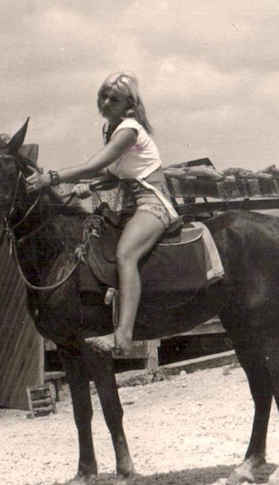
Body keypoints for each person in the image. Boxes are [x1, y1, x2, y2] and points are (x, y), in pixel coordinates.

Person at [26, 72, 178, 354]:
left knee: (126, 254)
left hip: (152, 205)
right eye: (103, 96)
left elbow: (95, 164)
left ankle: (123, 336)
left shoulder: (128, 129)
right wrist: (88, 187)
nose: (106, 102)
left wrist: (52, 178)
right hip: (131, 207)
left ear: (128, 104)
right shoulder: (113, 129)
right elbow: (112, 172)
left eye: (114, 99)